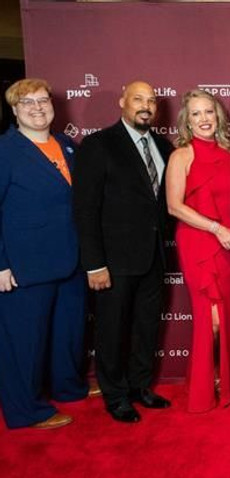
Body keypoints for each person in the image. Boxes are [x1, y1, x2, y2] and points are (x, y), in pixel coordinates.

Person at [73, 81, 173, 423]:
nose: (145, 106)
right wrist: (94, 263)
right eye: (138, 99)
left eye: (151, 100)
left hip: (154, 257)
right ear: (123, 102)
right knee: (112, 329)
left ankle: (139, 387)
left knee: (146, 327)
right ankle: (115, 395)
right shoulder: (99, 144)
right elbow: (85, 208)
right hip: (113, 260)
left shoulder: (163, 145)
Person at [0, 78, 91, 429]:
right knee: (24, 341)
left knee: (66, 332)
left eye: (42, 100)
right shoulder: (6, 150)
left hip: (70, 259)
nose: (37, 108)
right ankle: (26, 411)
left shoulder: (66, 144)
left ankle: (67, 387)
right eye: (27, 103)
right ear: (14, 110)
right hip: (25, 264)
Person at [166, 90, 230, 413]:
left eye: (208, 112)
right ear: (187, 120)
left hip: (229, 242)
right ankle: (205, 384)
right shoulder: (181, 155)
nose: (204, 119)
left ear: (218, 115)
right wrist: (215, 229)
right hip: (199, 241)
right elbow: (174, 206)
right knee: (209, 320)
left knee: (226, 317)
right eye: (196, 114)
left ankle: (227, 383)